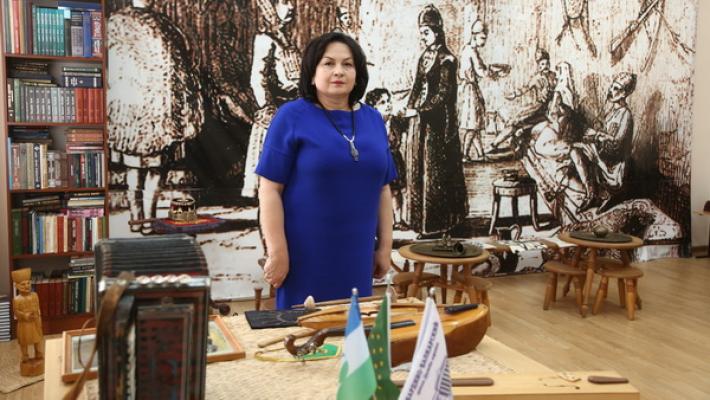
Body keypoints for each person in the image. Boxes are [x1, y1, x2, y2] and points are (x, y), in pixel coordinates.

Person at [256, 32, 397, 309]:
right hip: (304, 255)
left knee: (352, 327)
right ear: (312, 73)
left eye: (348, 64)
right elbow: (269, 189)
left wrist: (384, 247)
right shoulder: (290, 117)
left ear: (358, 73)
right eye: (328, 63)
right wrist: (277, 252)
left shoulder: (373, 119)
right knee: (303, 329)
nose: (338, 71)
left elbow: (383, 188)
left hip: (357, 254)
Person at [405, 4, 468, 237]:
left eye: (426, 32)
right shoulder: (424, 57)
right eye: (421, 33)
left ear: (437, 31)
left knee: (434, 173)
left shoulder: (447, 59)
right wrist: (409, 107)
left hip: (439, 124)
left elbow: (443, 94)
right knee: (418, 169)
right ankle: (419, 222)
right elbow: (417, 86)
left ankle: (439, 225)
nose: (422, 37)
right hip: (421, 122)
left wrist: (420, 111)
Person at [241, 0, 300, 199]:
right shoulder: (264, 39)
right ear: (272, 7)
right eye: (285, 2)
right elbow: (257, 78)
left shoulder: (286, 40)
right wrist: (267, 107)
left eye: (292, 3)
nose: (291, 7)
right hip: (275, 111)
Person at [570, 72, 637, 211]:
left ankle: (606, 194)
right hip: (605, 153)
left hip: (615, 163)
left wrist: (598, 138)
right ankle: (591, 194)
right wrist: (595, 135)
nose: (611, 91)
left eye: (616, 89)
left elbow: (617, 145)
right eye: (612, 87)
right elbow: (605, 134)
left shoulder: (626, 115)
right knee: (575, 149)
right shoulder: (611, 112)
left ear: (624, 93)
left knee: (583, 150)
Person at [488, 48, 556, 152]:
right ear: (538, 66)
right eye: (542, 64)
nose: (545, 66)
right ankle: (494, 144)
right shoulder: (536, 78)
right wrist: (514, 94)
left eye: (547, 64)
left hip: (548, 109)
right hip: (536, 108)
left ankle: (517, 141)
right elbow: (525, 88)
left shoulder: (553, 76)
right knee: (515, 123)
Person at [365, 88, 406, 229]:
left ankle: (398, 220)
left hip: (393, 160)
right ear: (374, 108)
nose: (388, 105)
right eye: (382, 103)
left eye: (388, 101)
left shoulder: (396, 122)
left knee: (396, 191)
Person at [458, 19, 492, 162]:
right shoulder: (470, 51)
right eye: (482, 38)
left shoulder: (469, 49)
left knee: (475, 124)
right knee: (472, 125)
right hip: (470, 90)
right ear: (474, 35)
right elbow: (480, 71)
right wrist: (493, 72)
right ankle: (465, 155)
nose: (484, 41)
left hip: (470, 88)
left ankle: (480, 154)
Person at [11, 268, 43, 363]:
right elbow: (16, 312)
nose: (26, 286)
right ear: (17, 286)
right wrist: (24, 315)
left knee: (37, 339)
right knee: (24, 341)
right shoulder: (17, 299)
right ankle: (25, 356)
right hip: (24, 324)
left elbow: (38, 307)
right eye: (23, 284)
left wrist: (38, 317)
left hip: (35, 321)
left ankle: (38, 353)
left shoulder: (35, 295)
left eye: (28, 283)